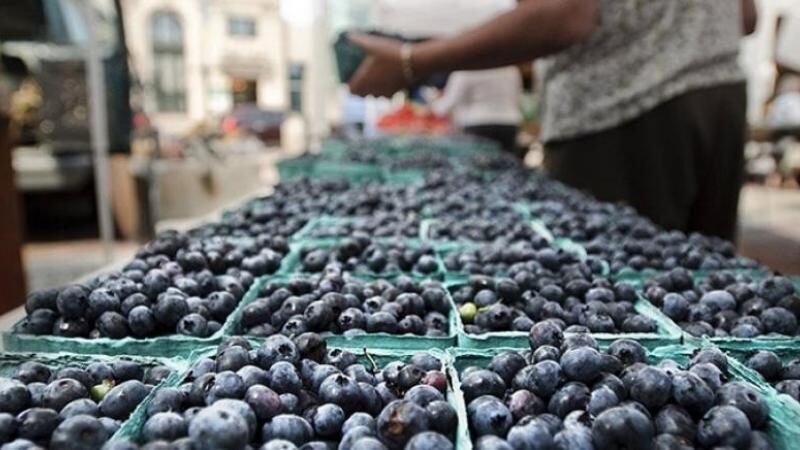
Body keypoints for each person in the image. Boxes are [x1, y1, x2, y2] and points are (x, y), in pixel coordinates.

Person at [348, 0, 757, 242]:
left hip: (622, 105)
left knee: (611, 309)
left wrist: (411, 61)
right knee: (705, 304)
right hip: (718, 93)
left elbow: (562, 13)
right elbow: (747, 16)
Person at [430, 67, 522, 155]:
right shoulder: (511, 69)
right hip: (509, 123)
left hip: (477, 124)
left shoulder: (466, 69)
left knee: (478, 166)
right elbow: (518, 96)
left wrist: (432, 104)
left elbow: (450, 102)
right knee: (507, 165)